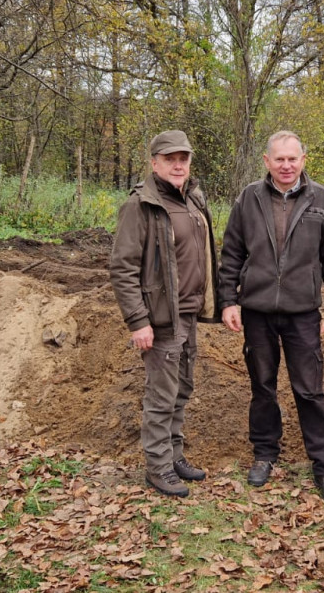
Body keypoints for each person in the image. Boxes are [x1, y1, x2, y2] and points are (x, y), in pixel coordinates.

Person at [218, 130, 324, 503]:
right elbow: (231, 254)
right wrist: (229, 301)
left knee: (309, 390)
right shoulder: (249, 198)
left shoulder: (322, 200)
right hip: (257, 311)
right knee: (262, 386)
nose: (286, 165)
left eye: (293, 158)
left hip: (303, 313)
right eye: (279, 159)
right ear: (267, 162)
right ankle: (264, 454)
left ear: (303, 160)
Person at [109, 129, 219, 498]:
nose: (177, 164)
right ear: (154, 163)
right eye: (170, 158)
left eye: (183, 158)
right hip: (159, 318)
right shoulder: (140, 206)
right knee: (161, 394)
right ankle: (157, 467)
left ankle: (174, 456)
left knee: (181, 389)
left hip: (188, 313)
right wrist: (138, 321)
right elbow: (123, 267)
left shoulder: (194, 200)